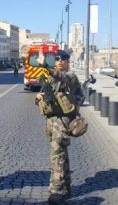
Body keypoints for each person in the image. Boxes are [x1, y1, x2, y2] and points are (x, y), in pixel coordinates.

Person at [35, 49, 84, 204]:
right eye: (57, 59)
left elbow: (61, 76)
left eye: (63, 59)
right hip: (51, 121)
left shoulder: (70, 76)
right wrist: (38, 98)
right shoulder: (50, 79)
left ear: (68, 61)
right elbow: (44, 96)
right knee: (61, 153)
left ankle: (57, 190)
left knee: (56, 155)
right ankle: (66, 185)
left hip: (63, 121)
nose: (60, 61)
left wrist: (45, 65)